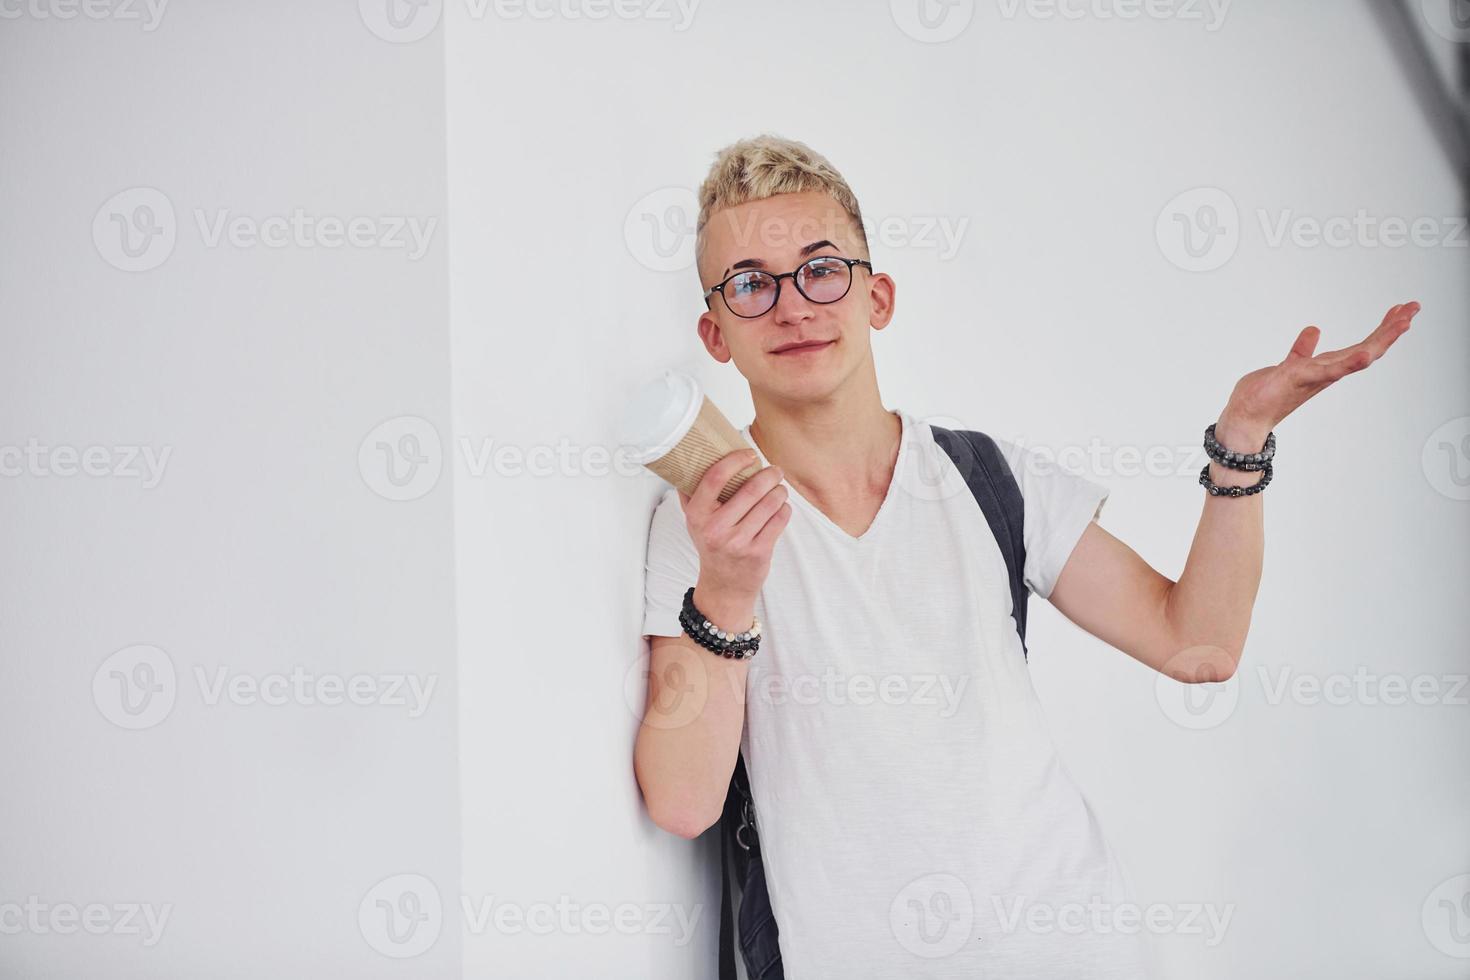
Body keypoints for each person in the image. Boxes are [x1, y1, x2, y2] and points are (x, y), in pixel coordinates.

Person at [632, 134, 1416, 979]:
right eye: (751, 284)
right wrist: (728, 590)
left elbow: (1201, 645)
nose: (792, 306)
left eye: (822, 269)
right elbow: (682, 802)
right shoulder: (706, 526)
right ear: (716, 335)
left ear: (878, 296)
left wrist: (1242, 443)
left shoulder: (988, 477)